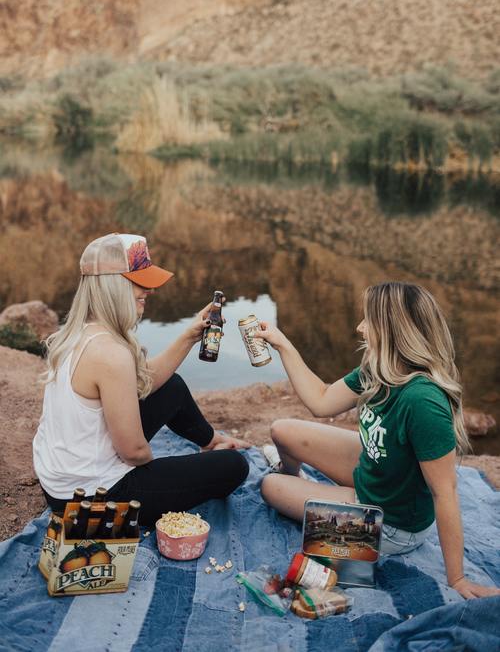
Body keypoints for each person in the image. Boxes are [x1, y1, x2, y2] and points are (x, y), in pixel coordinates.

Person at [256, 282, 500, 600]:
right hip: (376, 470)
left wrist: (457, 578)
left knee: (269, 487)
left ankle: (303, 492)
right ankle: (301, 486)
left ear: (392, 331)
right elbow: (321, 400)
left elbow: (446, 492)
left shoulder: (423, 401)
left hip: (393, 521)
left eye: (368, 321)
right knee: (281, 430)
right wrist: (282, 344)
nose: (360, 328)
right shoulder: (379, 368)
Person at [33, 233, 249, 527]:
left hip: (63, 479)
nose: (150, 290)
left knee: (171, 386)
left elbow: (142, 381)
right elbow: (134, 452)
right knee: (234, 466)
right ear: (113, 286)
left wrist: (188, 336)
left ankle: (210, 442)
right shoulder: (110, 353)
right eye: (140, 282)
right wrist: (164, 470)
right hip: (91, 498)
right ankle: (214, 453)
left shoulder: (82, 332)